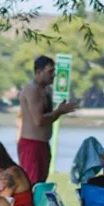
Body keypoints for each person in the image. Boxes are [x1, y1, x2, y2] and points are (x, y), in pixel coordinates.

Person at [18, 56, 79, 184]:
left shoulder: (47, 90)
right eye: (50, 71)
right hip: (32, 145)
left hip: (43, 144)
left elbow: (48, 118)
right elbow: (39, 120)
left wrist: (59, 111)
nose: (54, 75)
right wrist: (59, 111)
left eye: (54, 71)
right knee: (32, 184)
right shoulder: (32, 89)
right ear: (39, 72)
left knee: (41, 184)